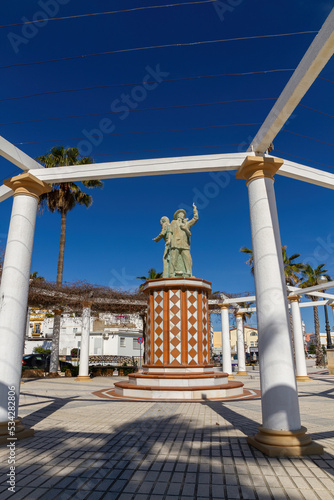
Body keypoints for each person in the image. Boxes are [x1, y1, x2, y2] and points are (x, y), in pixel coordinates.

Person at [169, 203, 198, 277]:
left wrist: (194, 209)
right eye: (180, 214)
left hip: (185, 243)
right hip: (176, 242)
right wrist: (169, 240)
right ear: (177, 215)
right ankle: (171, 273)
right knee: (173, 258)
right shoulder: (173, 222)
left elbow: (195, 219)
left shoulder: (186, 224)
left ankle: (189, 273)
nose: (182, 215)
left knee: (188, 258)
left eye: (183, 214)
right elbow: (170, 232)